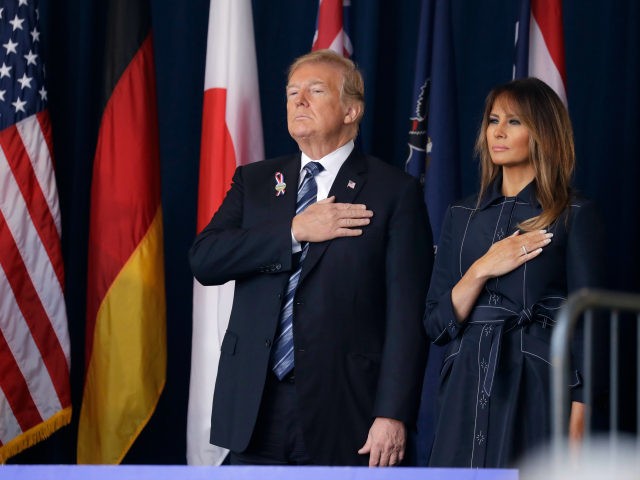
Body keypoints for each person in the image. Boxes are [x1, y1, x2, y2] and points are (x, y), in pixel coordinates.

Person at [189, 49, 433, 466]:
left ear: (352, 109)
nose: (298, 100)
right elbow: (206, 259)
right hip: (255, 406)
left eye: (315, 90)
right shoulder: (257, 180)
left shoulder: (394, 191)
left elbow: (408, 316)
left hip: (346, 411)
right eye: (291, 92)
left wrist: (392, 414)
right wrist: (294, 232)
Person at [424, 77, 605, 467]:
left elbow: (590, 329)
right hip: (464, 385)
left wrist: (579, 422)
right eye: (493, 120)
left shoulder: (573, 214)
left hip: (536, 382)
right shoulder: (460, 214)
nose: (498, 132)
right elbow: (435, 324)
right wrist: (481, 269)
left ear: (542, 132)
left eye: (514, 122)